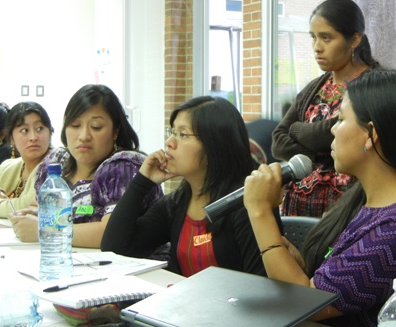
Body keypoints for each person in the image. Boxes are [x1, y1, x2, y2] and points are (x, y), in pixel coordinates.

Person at [243, 70, 396, 327]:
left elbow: (310, 304)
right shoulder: (370, 199)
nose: (332, 128)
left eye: (341, 119)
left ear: (371, 135)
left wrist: (260, 211)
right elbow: (334, 288)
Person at [102, 96, 280, 277]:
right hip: (184, 302)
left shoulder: (247, 204)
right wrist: (142, 182)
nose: (169, 142)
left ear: (214, 145)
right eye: (172, 132)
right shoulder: (176, 204)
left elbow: (261, 284)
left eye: (183, 134)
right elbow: (116, 248)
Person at [10, 84, 162, 249]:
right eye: (75, 125)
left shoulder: (124, 168)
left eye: (96, 127)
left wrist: (45, 231)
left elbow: (110, 233)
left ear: (115, 131)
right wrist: (33, 215)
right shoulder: (57, 162)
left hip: (135, 270)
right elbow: (37, 204)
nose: (83, 136)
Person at [271, 0, 379, 218]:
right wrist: (320, 154)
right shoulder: (315, 87)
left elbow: (330, 133)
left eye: (326, 38)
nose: (317, 47)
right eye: (314, 37)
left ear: (354, 39)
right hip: (297, 210)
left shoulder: (375, 85)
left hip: (346, 210)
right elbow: (278, 140)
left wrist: (297, 131)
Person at [0, 102, 54, 218]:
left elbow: (27, 205)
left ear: (50, 133)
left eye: (40, 128)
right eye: (25, 130)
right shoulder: (9, 166)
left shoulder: (53, 165)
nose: (33, 137)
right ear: (11, 139)